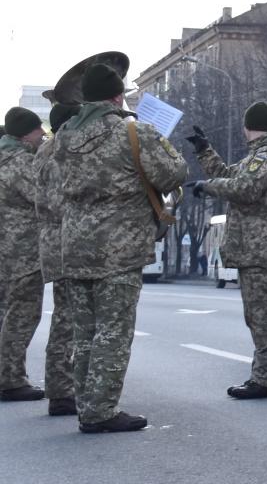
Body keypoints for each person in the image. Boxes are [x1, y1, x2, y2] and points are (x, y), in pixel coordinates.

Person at [53, 62, 188, 432]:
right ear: (117, 97)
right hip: (119, 247)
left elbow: (52, 184)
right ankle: (101, 412)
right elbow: (174, 174)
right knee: (114, 330)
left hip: (75, 244)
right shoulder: (133, 131)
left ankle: (87, 405)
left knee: (85, 333)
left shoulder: (63, 135)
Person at [189, 102, 267, 398]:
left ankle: (266, 379)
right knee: (257, 314)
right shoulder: (261, 155)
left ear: (247, 127)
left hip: (260, 247)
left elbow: (243, 190)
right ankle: (263, 376)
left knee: (263, 315)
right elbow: (231, 175)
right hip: (253, 247)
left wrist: (206, 185)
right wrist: (204, 151)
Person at [34, 102, 81, 416]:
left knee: (67, 317)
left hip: (55, 241)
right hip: (67, 240)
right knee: (68, 320)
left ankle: (62, 388)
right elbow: (62, 202)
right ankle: (62, 391)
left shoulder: (47, 150)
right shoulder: (61, 152)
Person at [0, 107, 47, 404]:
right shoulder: (21, 163)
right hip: (24, 252)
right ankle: (12, 380)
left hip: (6, 250)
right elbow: (45, 198)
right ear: (25, 134)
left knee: (5, 314)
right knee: (21, 316)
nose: (43, 135)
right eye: (38, 130)